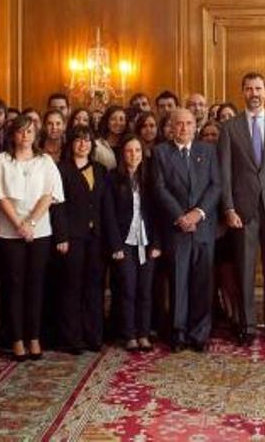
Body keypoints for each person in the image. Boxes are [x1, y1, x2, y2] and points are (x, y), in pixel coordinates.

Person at [218, 72, 265, 347]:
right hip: (242, 208)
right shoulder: (230, 127)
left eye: (259, 88)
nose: (254, 93)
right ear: (243, 92)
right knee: (245, 268)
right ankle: (247, 325)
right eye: (249, 88)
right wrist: (228, 207)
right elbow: (225, 173)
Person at [0, 114, 64, 361]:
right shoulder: (1, 161)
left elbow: (50, 194)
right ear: (12, 134)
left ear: (35, 134)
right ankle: (16, 339)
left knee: (35, 285)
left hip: (39, 231)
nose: (25, 136)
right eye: (21, 131)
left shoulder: (44, 161)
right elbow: (0, 196)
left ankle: (34, 337)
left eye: (29, 132)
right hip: (9, 233)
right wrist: (19, 224)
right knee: (13, 286)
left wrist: (30, 223)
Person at [153, 108, 221, 352]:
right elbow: (159, 188)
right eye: (179, 124)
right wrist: (180, 216)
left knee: (202, 283)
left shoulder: (208, 151)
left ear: (196, 126)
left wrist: (198, 213)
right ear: (171, 127)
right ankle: (178, 333)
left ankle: (199, 333)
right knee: (178, 281)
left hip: (203, 227)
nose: (184, 128)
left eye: (189, 124)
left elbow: (216, 186)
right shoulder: (160, 152)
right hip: (176, 228)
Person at [51, 126, 108, 354]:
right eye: (78, 140)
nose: (82, 144)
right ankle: (72, 338)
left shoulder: (101, 170)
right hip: (72, 237)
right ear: (70, 143)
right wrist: (61, 235)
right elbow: (57, 205)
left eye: (87, 140)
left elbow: (105, 206)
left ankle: (93, 336)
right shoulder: (61, 169)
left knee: (94, 287)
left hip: (96, 238)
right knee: (71, 287)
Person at [106, 135, 161, 352]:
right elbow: (109, 215)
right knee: (127, 288)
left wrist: (157, 243)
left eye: (137, 150)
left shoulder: (149, 178)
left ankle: (144, 333)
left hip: (147, 242)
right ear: (122, 153)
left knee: (145, 289)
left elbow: (157, 213)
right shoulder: (112, 179)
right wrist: (115, 246)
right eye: (129, 151)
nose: (134, 155)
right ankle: (129, 334)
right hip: (124, 242)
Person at [94, 106, 127, 170]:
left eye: (121, 119)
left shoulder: (130, 143)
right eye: (113, 119)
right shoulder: (97, 145)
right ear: (107, 122)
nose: (117, 123)